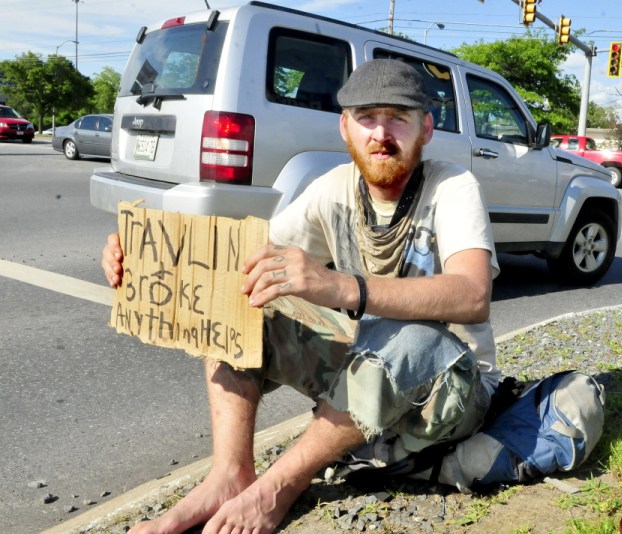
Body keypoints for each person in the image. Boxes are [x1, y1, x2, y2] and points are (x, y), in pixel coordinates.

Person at [102, 58, 500, 534]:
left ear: (426, 129)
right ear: (344, 128)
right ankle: (230, 474)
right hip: (367, 380)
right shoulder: (332, 189)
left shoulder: (452, 187)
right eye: (366, 118)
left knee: (412, 337)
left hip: (449, 394)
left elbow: (473, 294)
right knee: (240, 295)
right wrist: (144, 258)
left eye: (398, 117)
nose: (381, 133)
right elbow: (244, 260)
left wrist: (339, 287)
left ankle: (277, 488)